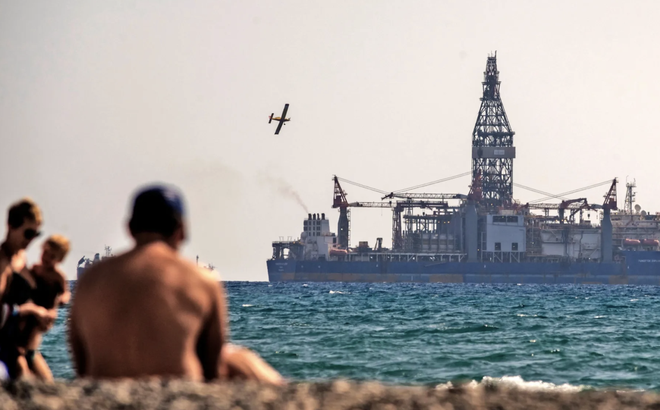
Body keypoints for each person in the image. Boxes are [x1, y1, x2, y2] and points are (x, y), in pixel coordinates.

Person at [69, 184, 284, 384]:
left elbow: (81, 365)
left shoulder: (90, 279)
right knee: (237, 358)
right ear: (181, 231)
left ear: (130, 229)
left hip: (105, 396)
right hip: (180, 391)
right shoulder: (203, 281)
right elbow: (213, 369)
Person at [0, 199, 57, 379]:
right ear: (10, 226)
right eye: (28, 233)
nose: (31, 239)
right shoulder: (3, 263)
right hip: (7, 347)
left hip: (26, 345)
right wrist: (30, 310)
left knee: (50, 386)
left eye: (36, 234)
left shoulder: (22, 258)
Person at [13, 235, 71, 381]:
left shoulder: (58, 276)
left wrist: (63, 299)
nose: (46, 258)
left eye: (52, 256)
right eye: (45, 253)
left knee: (35, 330)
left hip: (48, 307)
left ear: (60, 260)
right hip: (34, 305)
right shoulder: (36, 269)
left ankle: (28, 355)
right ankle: (25, 354)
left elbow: (65, 292)